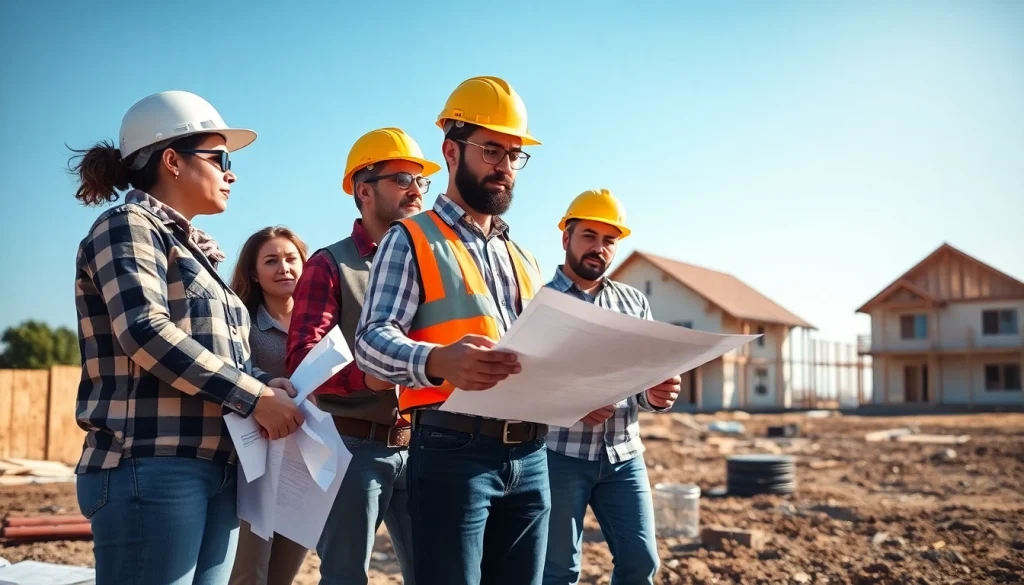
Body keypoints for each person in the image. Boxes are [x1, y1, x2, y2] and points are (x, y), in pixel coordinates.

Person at [69, 90, 304, 585]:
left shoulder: (195, 254)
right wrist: (255, 395)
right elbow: (144, 331)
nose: (230, 173)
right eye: (219, 158)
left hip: (212, 466)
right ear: (172, 161)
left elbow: (225, 356)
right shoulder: (127, 225)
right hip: (150, 467)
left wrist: (267, 383)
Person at [354, 76, 547, 585]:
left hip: (531, 456)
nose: (504, 165)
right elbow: (371, 342)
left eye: (513, 153)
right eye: (490, 149)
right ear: (451, 151)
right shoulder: (410, 237)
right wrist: (438, 361)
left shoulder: (523, 256)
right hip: (452, 450)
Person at [286, 127, 440, 585]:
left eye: (421, 181)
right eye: (402, 179)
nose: (416, 191)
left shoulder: (430, 263)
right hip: (354, 449)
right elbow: (302, 361)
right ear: (363, 190)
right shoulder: (328, 264)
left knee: (437, 572)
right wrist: (369, 378)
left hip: (423, 445)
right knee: (346, 576)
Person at [541, 189, 682, 585]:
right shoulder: (539, 302)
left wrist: (654, 396)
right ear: (565, 237)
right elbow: (524, 382)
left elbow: (641, 380)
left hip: (624, 455)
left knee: (641, 564)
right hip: (558, 456)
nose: (599, 248)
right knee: (558, 572)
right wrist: (572, 403)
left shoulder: (634, 303)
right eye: (589, 236)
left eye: (609, 241)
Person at [228, 226, 311, 585]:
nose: (284, 268)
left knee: (284, 573)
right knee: (249, 572)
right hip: (253, 465)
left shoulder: (322, 323)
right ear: (253, 273)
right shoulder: (240, 320)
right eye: (271, 260)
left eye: (292, 259)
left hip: (307, 464)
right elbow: (234, 370)